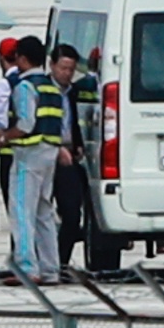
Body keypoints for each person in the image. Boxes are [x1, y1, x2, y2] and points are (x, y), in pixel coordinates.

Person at [1, 36, 64, 286]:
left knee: (21, 212)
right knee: (44, 213)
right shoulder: (52, 87)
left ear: (23, 59)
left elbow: (25, 125)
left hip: (28, 154)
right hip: (49, 153)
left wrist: (3, 137)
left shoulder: (25, 87)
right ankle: (50, 268)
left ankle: (28, 267)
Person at [49, 42, 98, 271]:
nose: (67, 74)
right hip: (47, 153)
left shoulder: (73, 92)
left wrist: (77, 146)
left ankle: (61, 261)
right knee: (38, 213)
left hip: (69, 156)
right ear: (52, 66)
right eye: (63, 68)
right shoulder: (42, 90)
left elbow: (74, 123)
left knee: (72, 213)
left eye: (71, 69)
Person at [0, 37, 20, 279]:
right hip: (32, 153)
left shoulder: (5, 84)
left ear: (1, 58)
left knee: (15, 209)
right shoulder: (31, 79)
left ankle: (18, 258)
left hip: (9, 154)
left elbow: (1, 120)